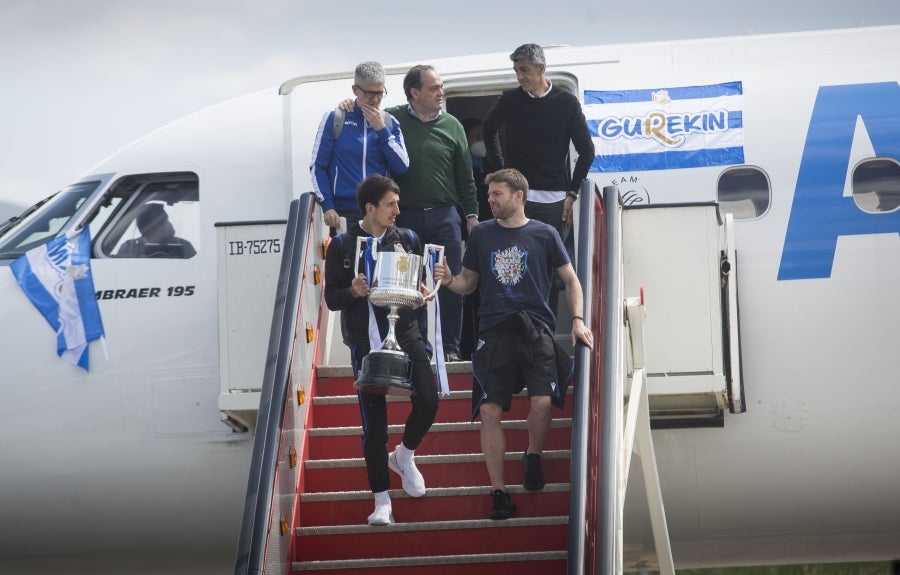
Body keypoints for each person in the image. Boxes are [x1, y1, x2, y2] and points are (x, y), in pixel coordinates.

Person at [433, 168, 594, 520]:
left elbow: (572, 280)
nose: (490, 200)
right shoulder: (482, 235)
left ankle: (533, 454)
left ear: (518, 196)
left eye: (497, 194)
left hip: (536, 330)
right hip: (494, 333)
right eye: (489, 194)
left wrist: (579, 320)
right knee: (489, 411)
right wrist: (448, 280)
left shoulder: (545, 233)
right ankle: (499, 493)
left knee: (541, 402)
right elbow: (469, 283)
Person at [323, 174, 439, 526]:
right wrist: (353, 293)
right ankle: (382, 501)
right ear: (370, 208)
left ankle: (404, 454)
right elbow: (331, 299)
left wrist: (423, 292)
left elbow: (417, 283)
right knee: (374, 429)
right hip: (365, 341)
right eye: (391, 204)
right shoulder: (342, 245)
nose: (397, 210)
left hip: (407, 332)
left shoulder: (408, 239)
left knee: (430, 399)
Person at [482, 43, 595, 318]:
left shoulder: (566, 103)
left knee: (548, 269)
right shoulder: (510, 99)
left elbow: (587, 151)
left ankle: (544, 330)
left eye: (524, 70)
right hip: (518, 199)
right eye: (516, 71)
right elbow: (488, 129)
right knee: (511, 266)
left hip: (553, 201)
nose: (520, 76)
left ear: (540, 68)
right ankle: (513, 328)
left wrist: (572, 193)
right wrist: (504, 173)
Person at [383, 65, 479, 363]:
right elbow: (365, 114)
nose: (441, 92)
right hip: (405, 217)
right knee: (408, 286)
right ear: (414, 93)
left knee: (450, 282)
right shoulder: (392, 118)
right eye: (434, 88)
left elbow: (465, 177)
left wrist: (472, 216)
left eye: (441, 87)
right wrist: (349, 104)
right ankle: (418, 348)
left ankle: (450, 349)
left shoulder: (453, 126)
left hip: (445, 216)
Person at [311, 61, 409, 235]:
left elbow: (402, 167)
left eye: (380, 93)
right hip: (344, 213)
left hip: (381, 213)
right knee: (348, 262)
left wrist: (382, 131)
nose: (375, 100)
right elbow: (318, 167)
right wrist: (328, 206)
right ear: (355, 90)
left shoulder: (389, 123)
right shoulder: (335, 118)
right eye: (370, 93)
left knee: (380, 262)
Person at [117, 203, 196, 258]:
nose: (169, 224)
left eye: (165, 220)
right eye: (164, 221)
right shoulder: (129, 247)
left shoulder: (184, 246)